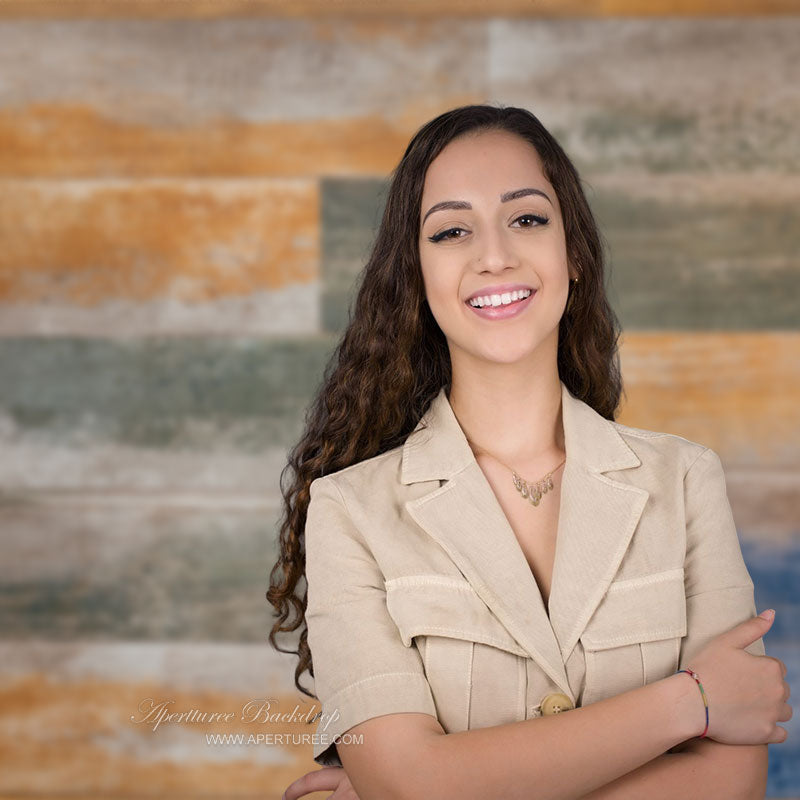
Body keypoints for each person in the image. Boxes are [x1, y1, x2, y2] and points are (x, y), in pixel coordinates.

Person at [267, 104, 792, 800]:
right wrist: (690, 701)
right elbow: (408, 784)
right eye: (452, 231)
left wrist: (439, 784)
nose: (494, 255)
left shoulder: (686, 480)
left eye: (527, 218)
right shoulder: (348, 511)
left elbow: (732, 784)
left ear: (573, 253)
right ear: (416, 275)